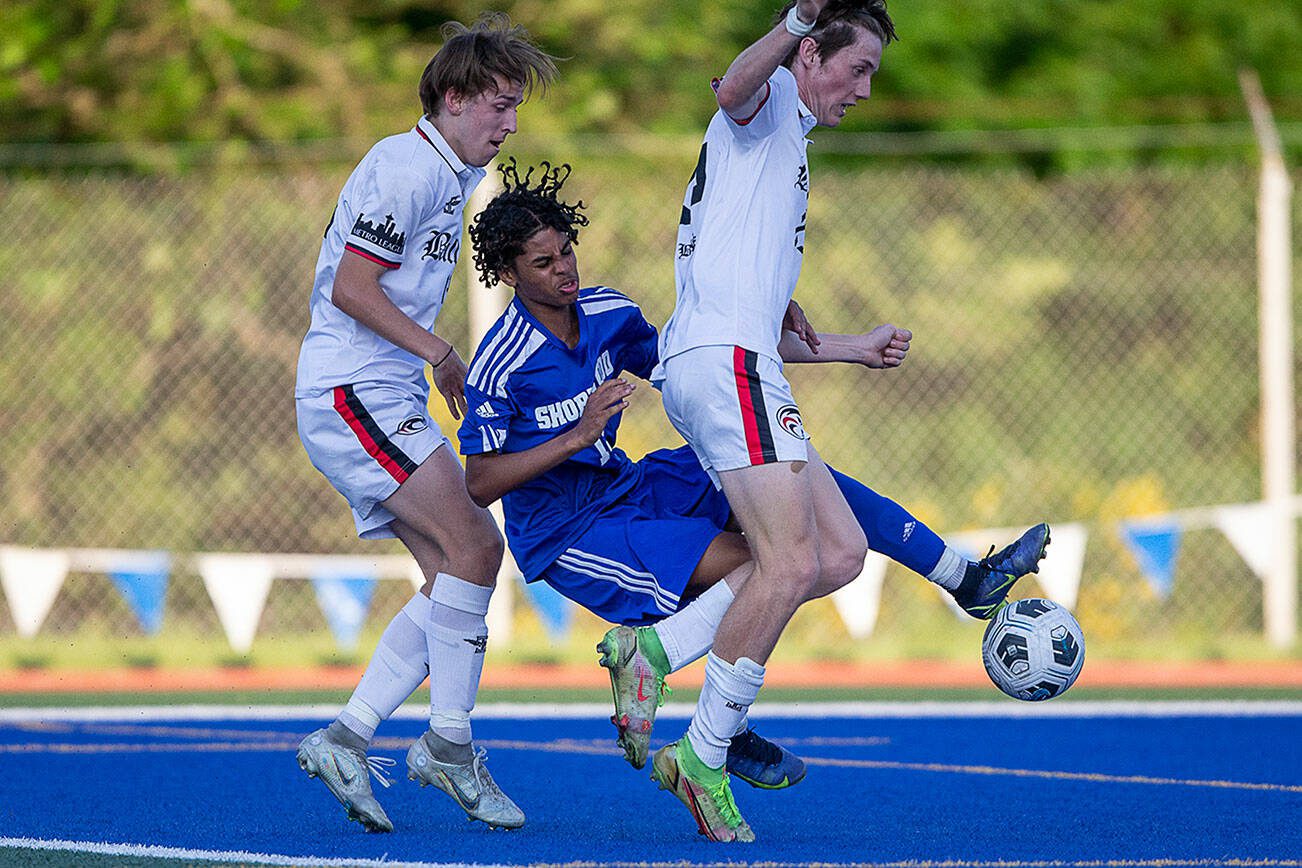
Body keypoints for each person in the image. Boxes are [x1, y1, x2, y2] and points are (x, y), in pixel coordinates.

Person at [456, 163, 1050, 828]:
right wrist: (578, 434)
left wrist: (849, 348)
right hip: (570, 534)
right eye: (543, 262)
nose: (564, 269)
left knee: (784, 470)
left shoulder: (606, 311)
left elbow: (699, 358)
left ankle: (963, 576)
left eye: (567, 250)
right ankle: (718, 728)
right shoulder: (501, 360)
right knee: (772, 564)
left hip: (633, 484)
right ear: (509, 273)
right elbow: (480, 484)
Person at [648, 0, 1050, 841]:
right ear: (809, 56)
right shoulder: (771, 110)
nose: (865, 88)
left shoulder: (783, 152)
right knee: (789, 560)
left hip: (724, 361)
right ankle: (705, 750)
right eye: (857, 67)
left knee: (837, 554)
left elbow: (752, 314)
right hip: (725, 367)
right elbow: (731, 88)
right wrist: (797, 16)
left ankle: (651, 656)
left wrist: (846, 348)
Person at [292, 14, 557, 834]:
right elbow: (353, 288)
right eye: (500, 106)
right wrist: (443, 354)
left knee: (457, 574)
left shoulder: (448, 178)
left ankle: (349, 737)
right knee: (478, 547)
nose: (510, 125)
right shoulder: (403, 166)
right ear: (453, 97)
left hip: (383, 393)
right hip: (351, 390)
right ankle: (446, 744)